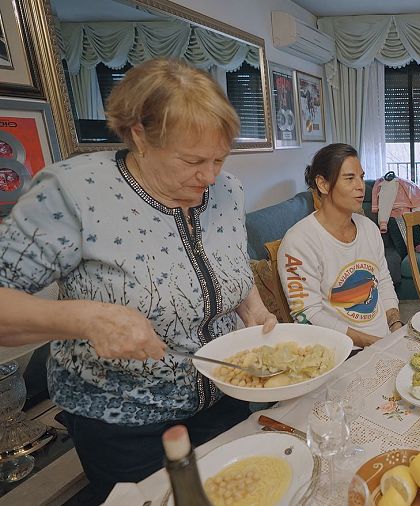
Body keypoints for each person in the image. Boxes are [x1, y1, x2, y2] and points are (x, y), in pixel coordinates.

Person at [0, 58, 276, 503]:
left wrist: (254, 310)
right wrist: (87, 318)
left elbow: (232, 265)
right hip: (125, 425)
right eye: (192, 160)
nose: (209, 177)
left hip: (226, 396)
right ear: (139, 135)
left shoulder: (228, 190)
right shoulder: (74, 193)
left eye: (219, 159)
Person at [277, 143, 401, 347]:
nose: (361, 186)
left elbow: (384, 281)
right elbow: (309, 314)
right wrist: (373, 344)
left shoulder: (369, 228)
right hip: (343, 351)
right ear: (323, 184)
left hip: (384, 341)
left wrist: (396, 327)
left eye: (361, 177)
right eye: (350, 178)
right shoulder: (299, 241)